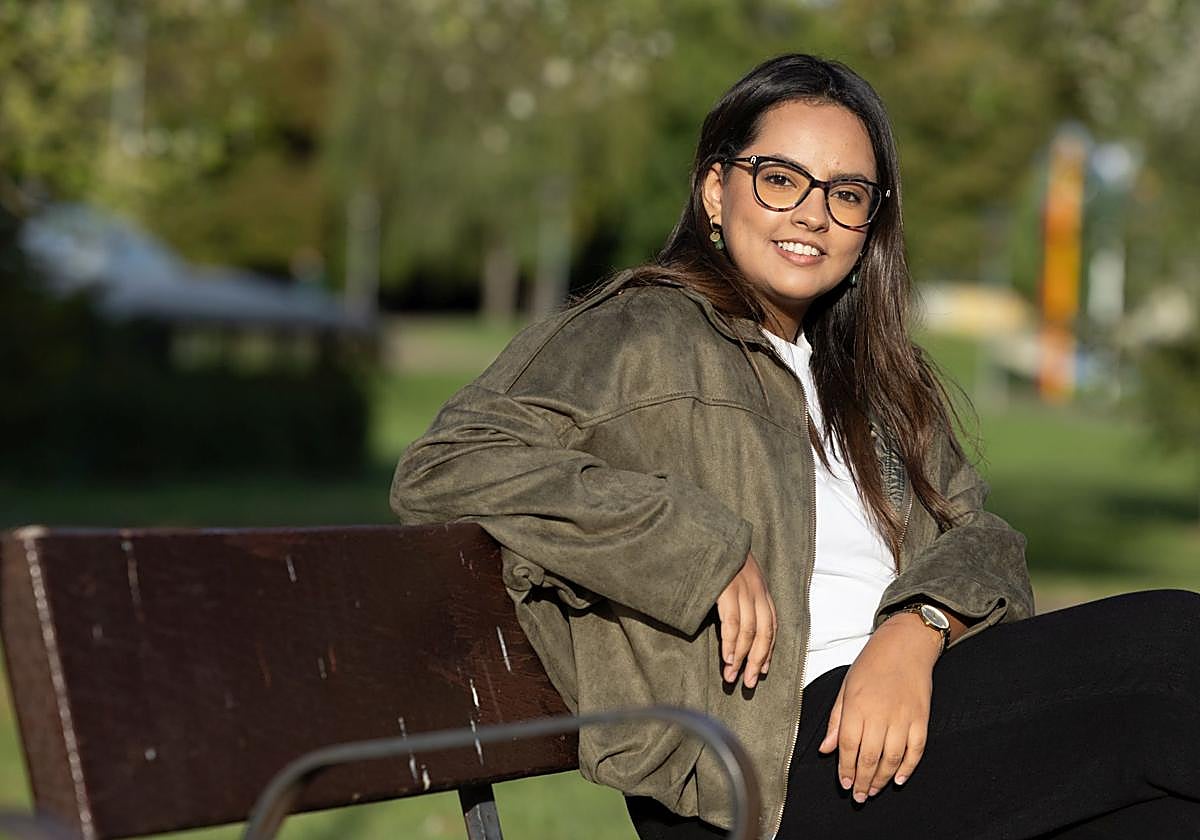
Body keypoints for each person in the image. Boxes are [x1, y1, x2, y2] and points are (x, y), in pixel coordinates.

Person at [390, 54, 1200, 840]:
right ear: (716, 189)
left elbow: (981, 538)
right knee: (1171, 650)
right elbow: (448, 464)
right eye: (781, 179)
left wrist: (914, 630)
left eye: (847, 194)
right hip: (763, 766)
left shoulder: (876, 379)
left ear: (870, 224)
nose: (813, 213)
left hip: (914, 722)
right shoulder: (638, 331)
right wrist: (693, 544)